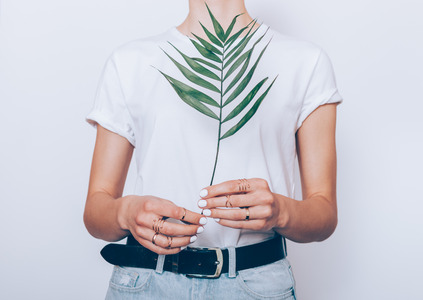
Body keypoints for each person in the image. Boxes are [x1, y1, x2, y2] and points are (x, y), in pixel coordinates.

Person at [84, 0, 342, 299]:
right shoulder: (129, 61)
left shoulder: (306, 61)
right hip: (148, 282)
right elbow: (95, 212)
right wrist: (126, 213)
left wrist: (281, 212)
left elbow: (323, 215)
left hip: (254, 284)